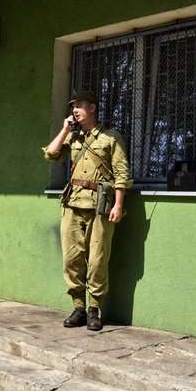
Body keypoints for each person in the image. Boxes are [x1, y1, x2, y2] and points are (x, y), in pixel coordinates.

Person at [42, 91, 131, 330]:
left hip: (101, 206)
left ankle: (94, 309)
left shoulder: (110, 137)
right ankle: (78, 307)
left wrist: (119, 204)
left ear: (92, 107)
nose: (75, 110)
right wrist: (64, 130)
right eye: (73, 107)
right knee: (72, 259)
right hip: (73, 204)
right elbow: (51, 154)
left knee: (97, 260)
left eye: (79, 105)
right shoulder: (73, 138)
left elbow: (122, 174)